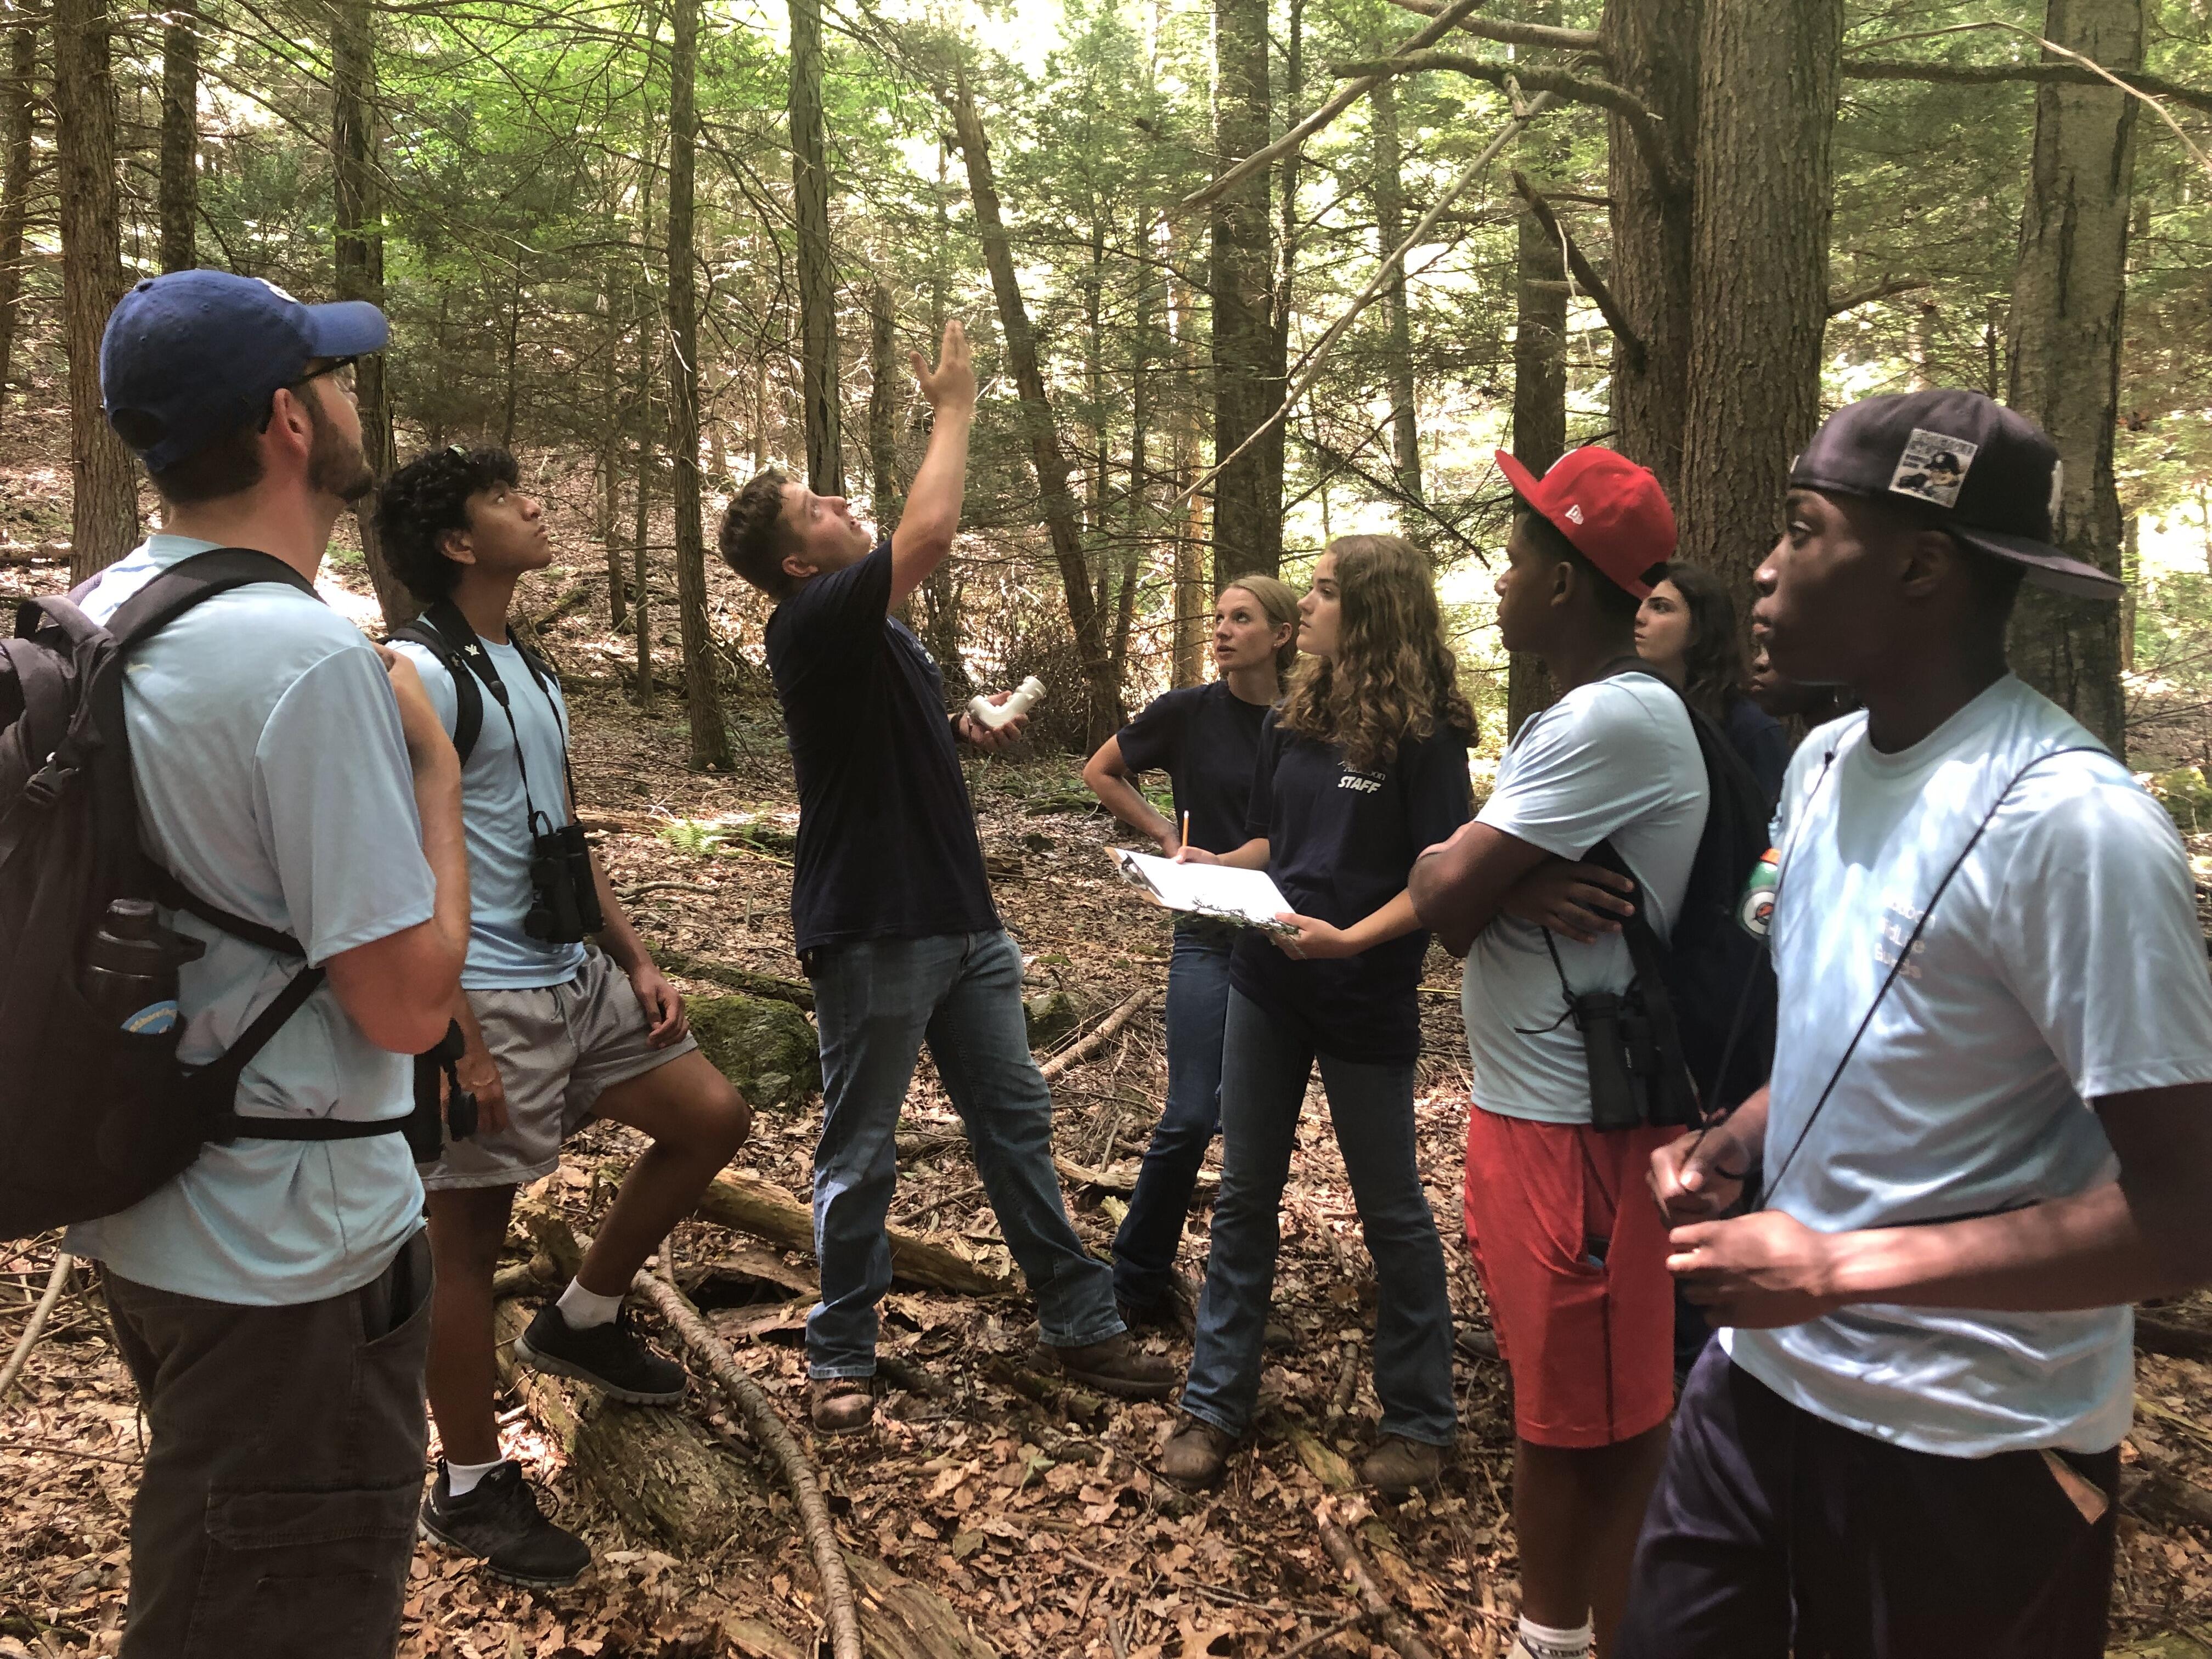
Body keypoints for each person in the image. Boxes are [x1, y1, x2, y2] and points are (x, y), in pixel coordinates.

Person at [1619, 390, 2212, 1659]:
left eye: (1805, 527)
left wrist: (1838, 1267)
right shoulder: (1824, 764)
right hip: (1762, 1390)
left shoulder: (2076, 827)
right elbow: (1879, 1036)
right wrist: (1747, 1138)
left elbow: (2187, 1213)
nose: (1766, 567)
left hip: (1971, 1445)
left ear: (1922, 567)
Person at [67, 270, 469, 1656]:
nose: (355, 403)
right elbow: (408, 1004)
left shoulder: (100, 613)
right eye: (336, 379)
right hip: (290, 1255)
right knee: (267, 1611)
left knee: (213, 1559)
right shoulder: (302, 659)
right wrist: (432, 776)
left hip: (147, 1202)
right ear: (291, 420)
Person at [715, 319, 1174, 1433]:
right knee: (860, 1147)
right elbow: (927, 535)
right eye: (816, 507)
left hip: (963, 919)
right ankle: (841, 1355)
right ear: (796, 562)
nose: (837, 504)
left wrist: (962, 729)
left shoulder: (885, 640)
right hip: (873, 923)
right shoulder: (815, 618)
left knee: (1014, 1121)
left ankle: (1078, 1320)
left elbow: (888, 728)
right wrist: (957, 407)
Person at [378, 445, 753, 1584]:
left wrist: (632, 955)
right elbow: (393, 867)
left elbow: (559, 838)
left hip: (574, 980)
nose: (536, 506)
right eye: (505, 500)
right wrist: (455, 1031)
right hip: (484, 992)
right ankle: (471, 1485)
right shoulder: (413, 672)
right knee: (466, 1240)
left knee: (710, 1117)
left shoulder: (528, 667)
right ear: (456, 543)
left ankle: (581, 1320)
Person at [1406, 445, 1708, 1659]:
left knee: (1580, 1421)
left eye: (1522, 556)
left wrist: (1485, 883)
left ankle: (1556, 1640)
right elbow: (1457, 895)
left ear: (1573, 583)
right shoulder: (1576, 720)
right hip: (1546, 1110)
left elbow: (1437, 893)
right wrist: (1503, 887)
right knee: (1594, 1403)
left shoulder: (1609, 717)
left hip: (1578, 1127)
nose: (1500, 581)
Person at [1158, 535, 1474, 1500]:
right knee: (1246, 1188)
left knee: (1391, 1207)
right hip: (1268, 978)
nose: (1308, 611)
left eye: (1328, 593)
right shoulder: (1295, 713)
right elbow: (1274, 838)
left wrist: (1349, 937)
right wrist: (1218, 869)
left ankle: (1419, 1418)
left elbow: (1442, 879)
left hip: (1362, 991)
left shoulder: (1430, 734)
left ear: (1375, 610)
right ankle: (1215, 1401)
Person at [1081, 575, 1299, 1329]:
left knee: (1261, 1128)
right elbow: (1100, 771)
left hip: (1280, 934)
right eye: (1218, 618)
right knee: (1189, 1113)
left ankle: (1242, 1296)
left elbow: (1298, 832)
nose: (1223, 630)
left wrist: (1235, 861)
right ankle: (1134, 1278)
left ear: (1282, 635)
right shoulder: (1186, 712)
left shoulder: (1306, 720)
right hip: (1206, 931)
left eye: (1243, 619)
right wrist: (1166, 838)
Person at [1633, 562, 1788, 804]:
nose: (1640, 617)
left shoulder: (1749, 729)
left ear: (1698, 629)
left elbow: (1775, 830)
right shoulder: (1629, 710)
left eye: (1661, 608)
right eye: (1639, 603)